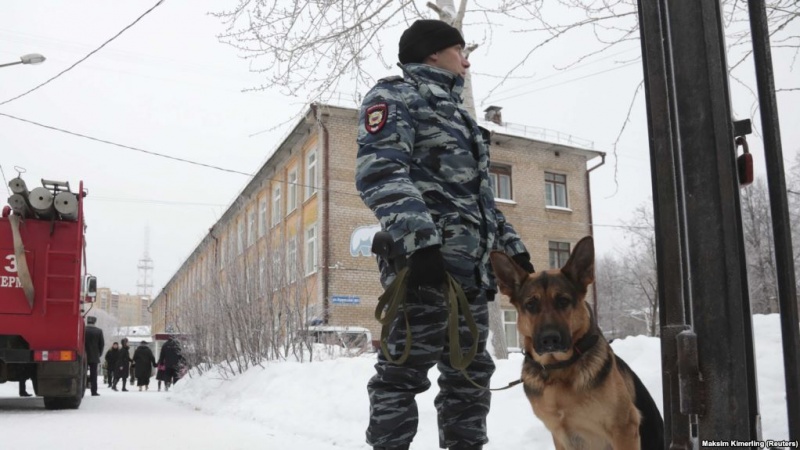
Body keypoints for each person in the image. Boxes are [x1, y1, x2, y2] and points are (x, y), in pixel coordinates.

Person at [355, 19, 534, 450]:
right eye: (460, 50)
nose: (467, 60)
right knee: (401, 376)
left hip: (471, 279)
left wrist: (514, 252)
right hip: (422, 272)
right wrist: (422, 245)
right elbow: (380, 173)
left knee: (470, 381)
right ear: (433, 53)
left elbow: (479, 203)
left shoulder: (462, 120)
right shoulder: (396, 97)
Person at [84, 316, 104, 396]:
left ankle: (82, 389)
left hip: (83, 355)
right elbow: (101, 344)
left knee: (83, 373)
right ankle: (94, 391)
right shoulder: (98, 331)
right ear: (94, 322)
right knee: (94, 374)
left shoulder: (83, 329)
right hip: (94, 356)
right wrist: (99, 353)